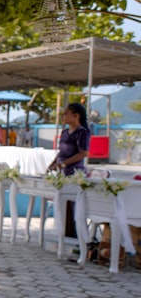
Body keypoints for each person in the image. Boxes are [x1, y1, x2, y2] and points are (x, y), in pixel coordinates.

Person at [47, 103, 91, 241]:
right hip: (62, 173)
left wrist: (65, 163)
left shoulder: (82, 132)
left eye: (66, 113)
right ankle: (63, 233)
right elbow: (62, 151)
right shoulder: (65, 132)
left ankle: (74, 236)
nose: (63, 116)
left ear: (76, 116)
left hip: (74, 173)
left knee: (72, 205)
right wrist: (53, 164)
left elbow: (83, 153)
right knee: (62, 204)